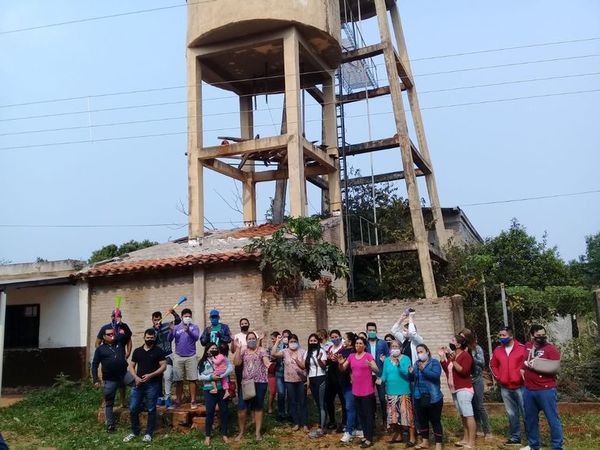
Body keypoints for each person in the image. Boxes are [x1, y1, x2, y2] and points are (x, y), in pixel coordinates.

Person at [520, 324, 563, 450]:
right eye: (538, 335)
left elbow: (555, 369)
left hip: (546, 389)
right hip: (529, 389)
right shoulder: (528, 346)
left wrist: (537, 366)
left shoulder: (551, 349)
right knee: (530, 419)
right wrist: (523, 369)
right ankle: (533, 445)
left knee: (552, 418)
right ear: (532, 335)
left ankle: (557, 446)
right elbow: (524, 362)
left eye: (543, 335)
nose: (541, 338)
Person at [122, 328, 166, 443]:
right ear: (144, 338)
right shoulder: (137, 351)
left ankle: (148, 433)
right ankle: (135, 432)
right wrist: (135, 377)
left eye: (152, 338)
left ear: (154, 338)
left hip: (153, 384)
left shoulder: (158, 351)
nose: (149, 340)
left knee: (151, 409)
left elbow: (163, 366)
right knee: (133, 408)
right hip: (138, 385)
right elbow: (131, 366)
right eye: (148, 338)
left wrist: (151, 375)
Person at [338, 336, 380, 449]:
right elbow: (343, 369)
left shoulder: (368, 356)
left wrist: (372, 366)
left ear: (364, 345)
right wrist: (341, 363)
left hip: (367, 391)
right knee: (361, 415)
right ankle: (366, 435)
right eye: (356, 343)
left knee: (368, 415)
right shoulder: (351, 356)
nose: (358, 345)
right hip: (356, 391)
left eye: (360, 343)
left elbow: (377, 370)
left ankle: (369, 439)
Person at [490, 326, 527, 446]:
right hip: (505, 387)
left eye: (503, 335)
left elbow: (527, 365)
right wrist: (499, 378)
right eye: (500, 335)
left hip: (521, 387)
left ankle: (531, 438)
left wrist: (523, 378)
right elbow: (493, 365)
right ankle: (515, 438)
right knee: (511, 414)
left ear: (511, 336)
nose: (501, 338)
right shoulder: (498, 350)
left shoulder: (522, 348)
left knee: (526, 412)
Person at [91, 326, 132, 433]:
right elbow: (94, 365)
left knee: (138, 385)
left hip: (124, 375)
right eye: (109, 334)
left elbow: (128, 334)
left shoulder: (119, 342)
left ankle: (141, 405)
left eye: (113, 333)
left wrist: (121, 324)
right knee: (109, 402)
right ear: (104, 337)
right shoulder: (100, 350)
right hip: (110, 379)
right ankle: (110, 425)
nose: (112, 335)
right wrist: (95, 380)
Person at [233, 331, 271, 441]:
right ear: (246, 340)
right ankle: (241, 432)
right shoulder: (243, 350)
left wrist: (269, 365)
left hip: (260, 382)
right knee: (241, 409)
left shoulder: (261, 350)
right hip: (247, 383)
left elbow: (266, 361)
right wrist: (238, 348)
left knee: (258, 408)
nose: (251, 340)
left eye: (253, 338)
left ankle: (257, 433)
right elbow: (236, 363)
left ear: (256, 339)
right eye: (249, 339)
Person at [440, 335, 476, 449]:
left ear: (459, 344)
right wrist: (442, 357)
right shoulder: (453, 355)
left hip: (464, 389)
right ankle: (465, 439)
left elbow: (463, 371)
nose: (450, 343)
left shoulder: (466, 356)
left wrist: (453, 360)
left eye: (453, 341)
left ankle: (472, 442)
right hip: (454, 389)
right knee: (463, 415)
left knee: (468, 415)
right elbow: (448, 369)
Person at [378, 340, 415, 445]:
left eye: (396, 346)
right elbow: (384, 374)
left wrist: (398, 365)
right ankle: (398, 436)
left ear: (400, 348)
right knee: (394, 417)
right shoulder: (387, 360)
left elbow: (407, 374)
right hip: (390, 392)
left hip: (403, 391)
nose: (394, 348)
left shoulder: (406, 359)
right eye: (392, 346)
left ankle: (412, 438)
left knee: (407, 416)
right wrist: (380, 380)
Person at [197, 342, 233, 446]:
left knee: (224, 411)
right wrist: (210, 377)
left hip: (222, 389)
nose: (213, 350)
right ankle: (208, 435)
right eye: (211, 348)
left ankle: (224, 434)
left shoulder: (222, 357)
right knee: (209, 413)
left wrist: (222, 375)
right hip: (209, 390)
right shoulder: (202, 362)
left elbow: (230, 368)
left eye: (215, 348)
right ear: (207, 350)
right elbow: (199, 376)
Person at [95, 310, 133, 408]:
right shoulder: (105, 328)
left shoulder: (124, 327)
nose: (115, 317)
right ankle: (105, 400)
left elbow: (129, 340)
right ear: (111, 316)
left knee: (122, 380)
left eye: (118, 316)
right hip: (108, 360)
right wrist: (103, 353)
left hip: (121, 358)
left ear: (120, 316)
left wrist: (128, 352)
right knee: (107, 381)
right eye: (114, 316)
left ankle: (123, 401)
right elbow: (97, 342)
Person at [272, 334, 309, 432]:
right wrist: (277, 341)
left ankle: (305, 423)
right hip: (289, 381)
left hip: (301, 380)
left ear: (298, 342)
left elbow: (305, 366)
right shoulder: (285, 352)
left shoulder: (303, 351)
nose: (293, 343)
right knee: (292, 402)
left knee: (302, 402)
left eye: (294, 341)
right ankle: (296, 423)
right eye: (291, 342)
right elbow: (273, 353)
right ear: (288, 343)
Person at [410, 344, 443, 450]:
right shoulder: (416, 363)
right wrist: (410, 373)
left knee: (435, 420)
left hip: (433, 397)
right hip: (419, 396)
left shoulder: (434, 363)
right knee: (422, 420)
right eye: (418, 352)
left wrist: (423, 370)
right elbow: (413, 378)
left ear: (427, 352)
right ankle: (425, 442)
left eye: (421, 351)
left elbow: (435, 376)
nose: (420, 354)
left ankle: (438, 444)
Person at [461, 328, 492, 440]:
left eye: (463, 336)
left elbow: (482, 363)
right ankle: (477, 429)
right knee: (472, 406)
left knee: (479, 405)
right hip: (466, 380)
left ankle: (487, 431)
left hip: (476, 379)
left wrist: (470, 357)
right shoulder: (461, 349)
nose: (461, 339)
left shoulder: (476, 348)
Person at [168, 308, 200, 409]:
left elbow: (196, 338)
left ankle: (193, 401)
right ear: (181, 317)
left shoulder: (194, 327)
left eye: (189, 316)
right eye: (185, 316)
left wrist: (189, 331)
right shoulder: (176, 327)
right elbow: (169, 339)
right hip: (178, 356)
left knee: (192, 379)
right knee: (178, 380)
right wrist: (171, 331)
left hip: (191, 356)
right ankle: (178, 401)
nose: (187, 318)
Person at [151, 309, 181, 408]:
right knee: (158, 378)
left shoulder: (167, 326)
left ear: (161, 319)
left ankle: (167, 397)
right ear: (152, 320)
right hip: (156, 357)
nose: (157, 321)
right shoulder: (151, 331)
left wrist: (173, 312)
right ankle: (160, 397)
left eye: (159, 319)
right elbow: (151, 343)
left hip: (168, 355)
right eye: (155, 320)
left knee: (167, 376)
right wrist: (155, 330)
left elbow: (178, 321)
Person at [338, 332, 362, 443]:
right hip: (344, 383)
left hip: (353, 384)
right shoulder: (342, 351)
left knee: (350, 407)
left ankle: (349, 431)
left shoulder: (353, 352)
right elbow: (341, 367)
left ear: (350, 341)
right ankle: (358, 428)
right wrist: (338, 362)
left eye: (344, 338)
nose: (342, 340)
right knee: (352, 407)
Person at [365, 322, 389, 427]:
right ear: (366, 331)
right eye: (369, 330)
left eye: (373, 330)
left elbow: (388, 357)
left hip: (380, 374)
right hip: (367, 375)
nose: (371, 332)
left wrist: (385, 360)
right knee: (370, 398)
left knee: (383, 398)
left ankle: (385, 420)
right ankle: (372, 420)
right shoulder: (364, 344)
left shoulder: (382, 343)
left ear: (376, 331)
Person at [305, 333, 328, 438]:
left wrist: (319, 359)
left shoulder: (322, 351)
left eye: (314, 340)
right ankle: (322, 425)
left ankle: (321, 428)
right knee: (318, 404)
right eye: (311, 341)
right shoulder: (307, 353)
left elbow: (324, 367)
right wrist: (295, 361)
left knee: (322, 404)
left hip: (320, 378)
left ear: (318, 342)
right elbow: (306, 368)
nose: (313, 342)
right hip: (312, 379)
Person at [325, 329, 347, 432]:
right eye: (332, 337)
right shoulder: (330, 348)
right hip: (330, 377)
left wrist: (337, 360)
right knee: (329, 400)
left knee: (343, 401)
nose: (334, 339)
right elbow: (327, 363)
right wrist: (329, 359)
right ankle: (332, 421)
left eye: (336, 337)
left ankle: (344, 423)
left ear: (340, 336)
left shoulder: (344, 348)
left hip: (341, 377)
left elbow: (345, 362)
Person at [274, 329, 292, 422]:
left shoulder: (294, 345)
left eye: (287, 336)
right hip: (280, 373)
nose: (285, 338)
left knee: (290, 395)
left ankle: (290, 413)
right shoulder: (279, 346)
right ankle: (281, 413)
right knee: (281, 394)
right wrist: (277, 341)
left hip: (290, 374)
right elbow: (273, 355)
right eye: (284, 336)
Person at [266, 331, 280, 414]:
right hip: (272, 371)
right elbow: (268, 358)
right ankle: (270, 407)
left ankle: (279, 407)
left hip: (280, 370)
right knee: (272, 391)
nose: (272, 341)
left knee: (280, 391)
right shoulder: (270, 348)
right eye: (271, 339)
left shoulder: (281, 347)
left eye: (273, 339)